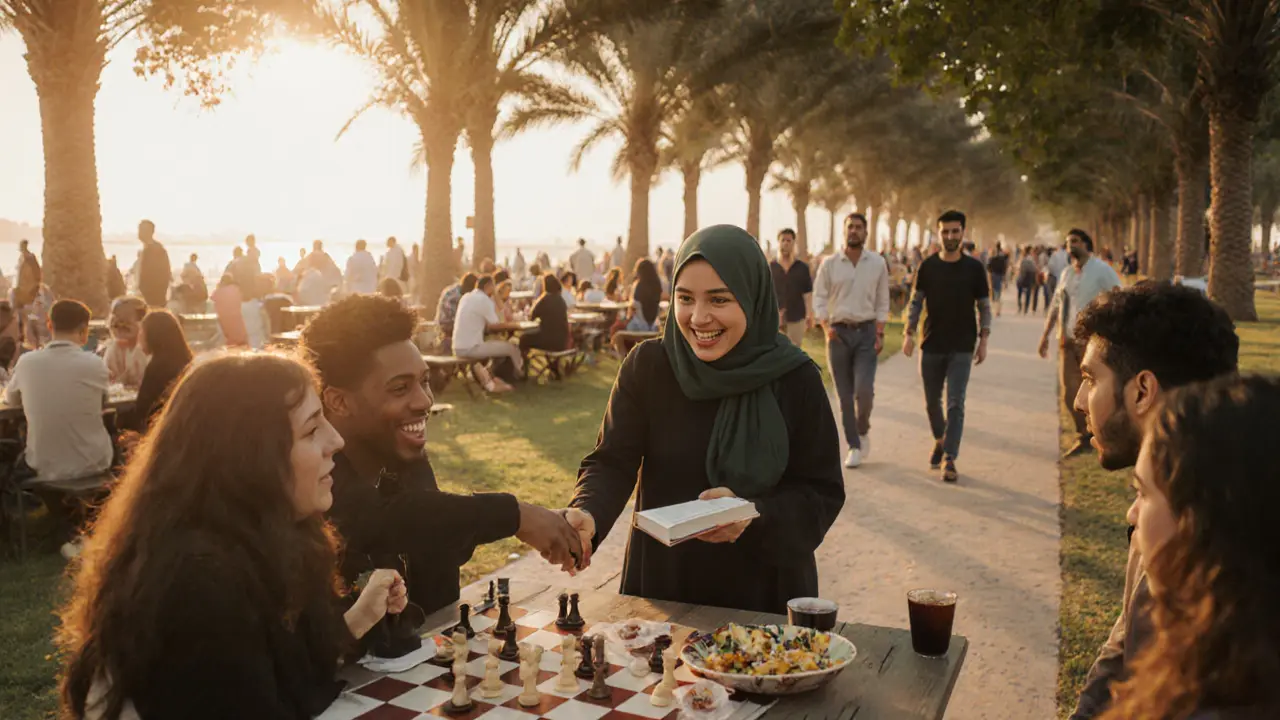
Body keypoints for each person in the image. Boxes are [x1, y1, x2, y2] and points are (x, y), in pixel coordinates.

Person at [57, 353, 410, 719]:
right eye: (310, 429)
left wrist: (358, 619)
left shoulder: (268, 541)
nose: (335, 440)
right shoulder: (197, 582)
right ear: (248, 458)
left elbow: (291, 676)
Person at [561, 225, 844, 614]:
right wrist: (588, 511)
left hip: (762, 598)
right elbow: (612, 460)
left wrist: (751, 515)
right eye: (685, 298)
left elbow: (821, 493)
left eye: (719, 300)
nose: (699, 318)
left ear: (753, 297)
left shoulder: (795, 379)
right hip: (664, 591)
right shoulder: (649, 368)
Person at [298, 295, 583, 614]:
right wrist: (515, 515)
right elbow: (381, 520)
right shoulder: (311, 473)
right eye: (399, 388)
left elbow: (435, 538)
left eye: (424, 381)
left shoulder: (400, 455)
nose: (424, 401)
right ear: (338, 402)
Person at [1067, 282, 1239, 720]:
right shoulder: (1164, 490)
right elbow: (1126, 642)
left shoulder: (1229, 544)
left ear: (1142, 390)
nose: (1079, 400)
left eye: (1090, 379)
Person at [1093, 376, 1280, 720]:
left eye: (1143, 493)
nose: (1131, 514)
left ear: (1202, 524)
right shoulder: (1207, 656)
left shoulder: (1215, 701)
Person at [4, 300, 114, 548]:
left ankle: (64, 524)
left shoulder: (27, 362)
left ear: (50, 325)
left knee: (20, 456)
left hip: (44, 464)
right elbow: (104, 402)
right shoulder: (95, 364)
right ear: (85, 330)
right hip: (94, 461)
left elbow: (11, 400)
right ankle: (78, 523)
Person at [902, 210, 992, 483]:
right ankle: (941, 439)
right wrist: (908, 333)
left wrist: (984, 339)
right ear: (938, 234)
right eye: (945, 232)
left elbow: (984, 307)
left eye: (955, 231)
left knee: (955, 402)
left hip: (963, 345)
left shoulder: (974, 268)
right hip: (931, 344)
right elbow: (916, 303)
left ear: (963, 233)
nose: (950, 237)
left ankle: (949, 457)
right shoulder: (928, 267)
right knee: (931, 402)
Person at [813, 213, 890, 469]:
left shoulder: (877, 263)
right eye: (850, 227)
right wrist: (825, 325)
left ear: (866, 232)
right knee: (845, 396)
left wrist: (880, 331)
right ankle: (854, 445)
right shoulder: (830, 264)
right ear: (844, 231)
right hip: (837, 334)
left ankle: (862, 428)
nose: (854, 231)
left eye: (858, 227)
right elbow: (819, 298)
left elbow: (882, 301)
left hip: (867, 333)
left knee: (864, 391)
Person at [1038, 229, 1122, 458]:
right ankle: (1083, 435)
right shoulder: (1065, 274)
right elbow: (1056, 304)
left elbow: (1118, 295)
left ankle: (1101, 436)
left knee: (1098, 394)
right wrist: (1046, 336)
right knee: (1069, 393)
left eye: (1074, 242)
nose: (1070, 246)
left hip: (1092, 343)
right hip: (1067, 341)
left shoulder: (1102, 270)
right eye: (1067, 243)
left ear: (1086, 244)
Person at [117, 310, 193, 434]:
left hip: (160, 430)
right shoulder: (187, 360)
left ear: (152, 336)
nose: (139, 337)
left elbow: (143, 411)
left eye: (142, 332)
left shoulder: (158, 366)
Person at [453, 276, 523, 388]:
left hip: (458, 347)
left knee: (499, 346)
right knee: (511, 348)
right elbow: (495, 325)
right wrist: (513, 325)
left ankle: (492, 375)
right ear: (488, 286)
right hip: (472, 348)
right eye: (493, 286)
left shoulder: (466, 297)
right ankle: (520, 374)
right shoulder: (484, 300)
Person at [770, 228, 814, 347]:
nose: (786, 243)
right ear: (778, 243)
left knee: (793, 352)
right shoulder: (770, 268)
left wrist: (809, 314)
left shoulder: (802, 268)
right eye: (783, 240)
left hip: (797, 317)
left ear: (794, 243)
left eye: (789, 240)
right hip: (774, 318)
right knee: (775, 352)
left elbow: (808, 293)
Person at [99, 297, 149, 387]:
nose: (121, 325)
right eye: (116, 323)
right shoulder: (114, 349)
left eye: (127, 322)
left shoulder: (146, 350)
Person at [522, 273, 571, 355]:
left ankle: (524, 364)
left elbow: (531, 317)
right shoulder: (561, 300)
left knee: (524, 339)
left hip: (547, 341)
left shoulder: (544, 300)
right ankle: (552, 365)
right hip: (561, 341)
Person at [434, 272, 477, 353]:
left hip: (446, 325)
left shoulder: (455, 290)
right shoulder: (455, 296)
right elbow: (456, 318)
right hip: (447, 326)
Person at [136, 220, 171, 308]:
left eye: (141, 230)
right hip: (147, 296)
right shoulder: (146, 250)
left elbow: (162, 275)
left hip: (153, 298)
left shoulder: (156, 250)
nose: (139, 233)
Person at [211, 275, 249, 348]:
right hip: (237, 318)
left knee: (230, 339)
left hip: (224, 319)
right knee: (240, 339)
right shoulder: (236, 289)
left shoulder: (218, 292)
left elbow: (213, 299)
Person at [985, 243, 1009, 316]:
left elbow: (988, 269)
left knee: (991, 294)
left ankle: (993, 310)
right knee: (998, 294)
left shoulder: (991, 259)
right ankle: (997, 310)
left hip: (992, 276)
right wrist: (1005, 281)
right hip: (999, 276)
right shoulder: (1002, 259)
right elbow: (1004, 270)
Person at [1046, 241, 1069, 308]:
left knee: (1055, 296)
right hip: (1067, 280)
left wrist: (1055, 273)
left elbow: (1050, 266)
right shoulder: (1070, 255)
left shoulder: (1055, 254)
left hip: (1056, 278)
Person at [1015, 244, 1038, 314]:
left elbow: (1017, 268)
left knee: (1019, 293)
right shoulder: (1031, 259)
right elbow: (1035, 269)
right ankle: (1026, 308)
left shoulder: (1021, 258)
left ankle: (1019, 306)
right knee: (1028, 293)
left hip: (1021, 276)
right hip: (1029, 277)